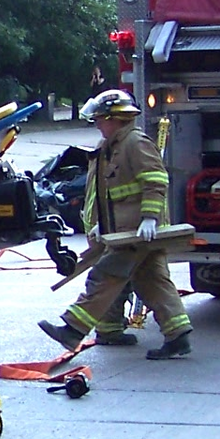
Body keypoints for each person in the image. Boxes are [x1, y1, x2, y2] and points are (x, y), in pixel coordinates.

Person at [39, 88, 194, 361]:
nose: (97, 124)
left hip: (136, 232)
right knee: (152, 281)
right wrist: (99, 224)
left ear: (115, 119)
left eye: (100, 119)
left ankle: (72, 330)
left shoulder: (136, 144)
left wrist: (149, 218)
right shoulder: (109, 148)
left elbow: (156, 181)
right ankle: (177, 335)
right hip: (123, 232)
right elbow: (103, 193)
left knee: (105, 276)